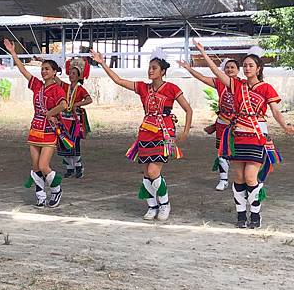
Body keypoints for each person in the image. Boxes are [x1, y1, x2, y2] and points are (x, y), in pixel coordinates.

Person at [193, 41, 294, 228]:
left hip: (256, 135)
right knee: (238, 177)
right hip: (238, 135)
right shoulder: (236, 85)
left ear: (258, 68)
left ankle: (255, 214)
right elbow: (217, 72)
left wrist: (285, 126)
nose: (247, 68)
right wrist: (204, 53)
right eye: (245, 65)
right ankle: (241, 215)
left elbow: (275, 111)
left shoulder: (266, 88)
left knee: (250, 177)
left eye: (251, 65)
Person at [91, 48, 192, 221]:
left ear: (163, 71)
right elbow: (119, 80)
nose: (150, 70)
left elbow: (188, 109)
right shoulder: (143, 88)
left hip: (163, 132)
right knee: (146, 173)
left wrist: (185, 131)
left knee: (154, 171)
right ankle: (152, 206)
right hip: (145, 133)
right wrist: (102, 63)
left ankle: (165, 203)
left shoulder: (172, 88)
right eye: (149, 67)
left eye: (154, 68)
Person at [3, 39, 68, 208]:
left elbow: (64, 105)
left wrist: (49, 113)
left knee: (43, 165)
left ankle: (56, 189)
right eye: (42, 69)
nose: (44, 71)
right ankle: (40, 195)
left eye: (47, 69)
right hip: (35, 129)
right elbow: (23, 70)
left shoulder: (57, 89)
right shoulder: (37, 85)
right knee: (35, 166)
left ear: (55, 72)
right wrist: (13, 53)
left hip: (49, 129)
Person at [177, 58, 240, 191]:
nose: (229, 70)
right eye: (227, 67)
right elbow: (201, 77)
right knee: (222, 153)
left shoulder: (243, 84)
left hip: (240, 124)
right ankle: (223, 180)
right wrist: (188, 68)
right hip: (223, 123)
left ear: (238, 70)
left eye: (232, 67)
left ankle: (241, 180)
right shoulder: (219, 82)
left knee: (239, 153)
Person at [56, 57, 93, 178]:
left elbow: (89, 99)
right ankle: (69, 168)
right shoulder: (65, 86)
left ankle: (78, 167)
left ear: (79, 76)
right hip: (63, 119)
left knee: (74, 143)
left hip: (75, 121)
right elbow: (55, 78)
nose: (71, 75)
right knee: (65, 142)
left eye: (74, 73)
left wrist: (76, 104)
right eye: (70, 73)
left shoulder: (80, 89)